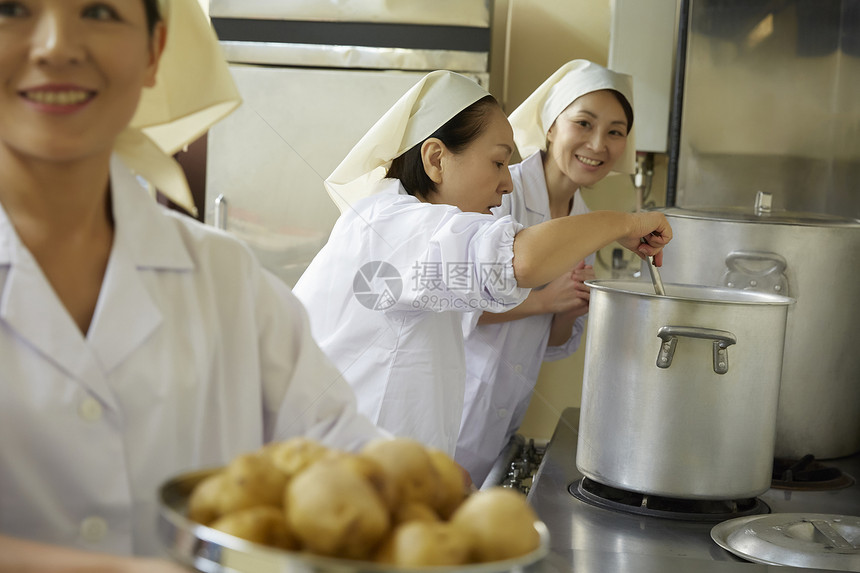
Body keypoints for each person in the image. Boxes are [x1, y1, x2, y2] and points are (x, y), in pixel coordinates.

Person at [0, 0, 382, 569]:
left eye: (100, 11)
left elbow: (345, 451)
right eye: (11, 8)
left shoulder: (227, 281)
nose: (56, 46)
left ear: (154, 52)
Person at [293, 69, 671, 458]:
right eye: (497, 163)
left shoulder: (416, 223)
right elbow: (514, 262)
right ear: (437, 159)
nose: (507, 184)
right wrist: (623, 222)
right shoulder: (395, 226)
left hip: (382, 464)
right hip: (336, 471)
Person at [456, 60, 638, 487]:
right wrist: (543, 300)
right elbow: (456, 301)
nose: (598, 144)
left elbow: (552, 343)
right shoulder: (502, 192)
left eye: (615, 132)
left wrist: (569, 307)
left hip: (500, 420)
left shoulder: (585, 221)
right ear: (552, 126)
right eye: (584, 123)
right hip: (451, 404)